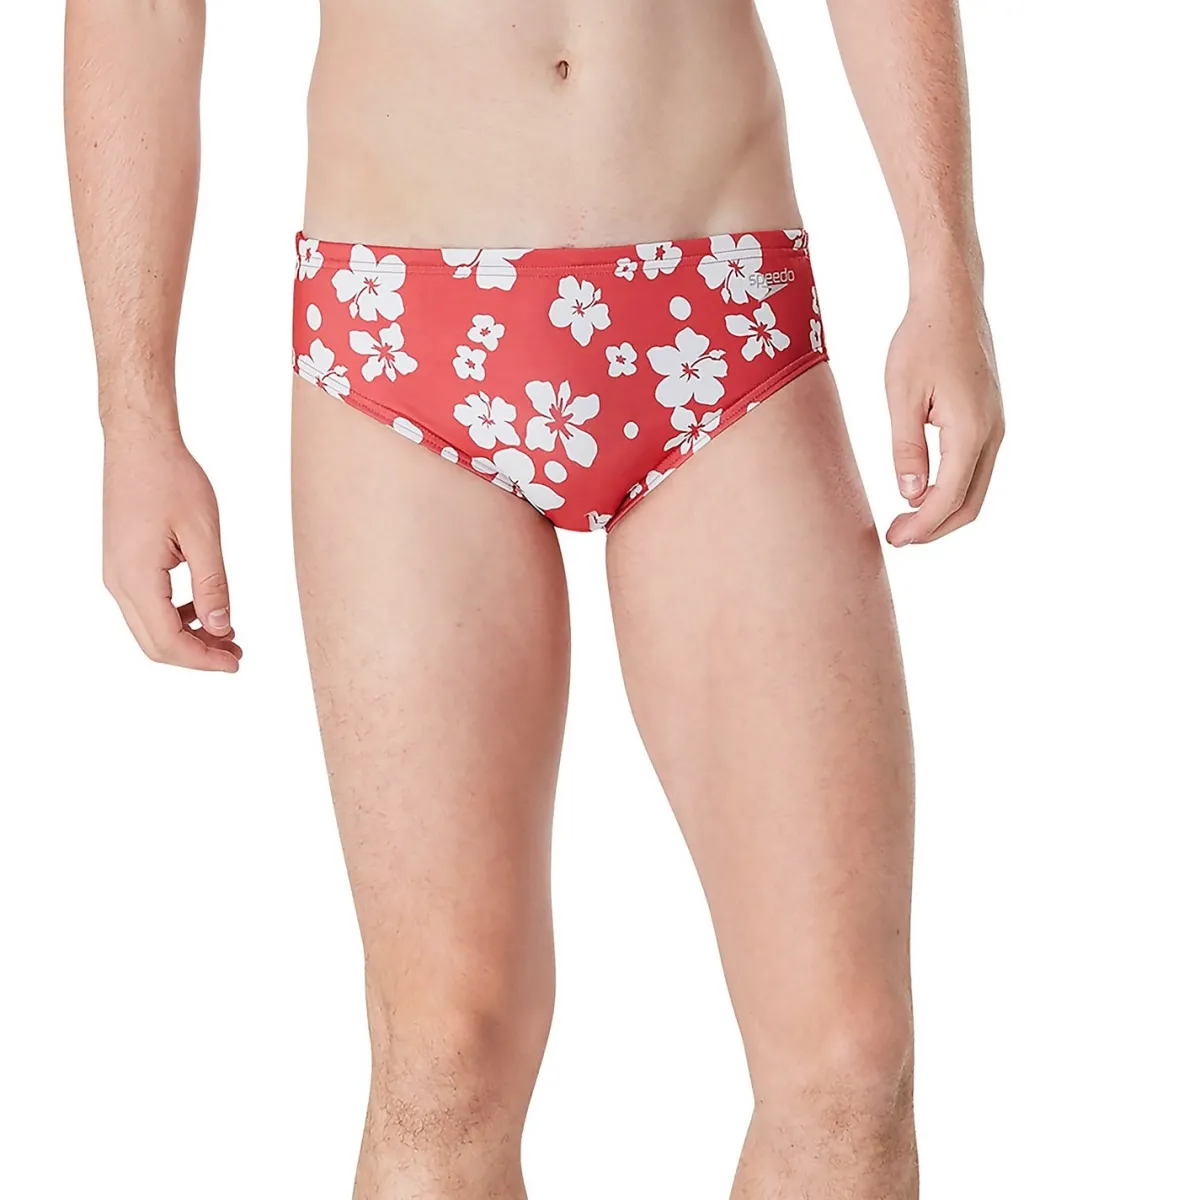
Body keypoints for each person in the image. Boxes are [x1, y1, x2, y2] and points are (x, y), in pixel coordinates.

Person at [64, 1, 1003, 1195]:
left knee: (849, 1072)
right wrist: (135, 414)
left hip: (718, 295)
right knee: (445, 1058)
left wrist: (946, 271)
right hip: (403, 321)